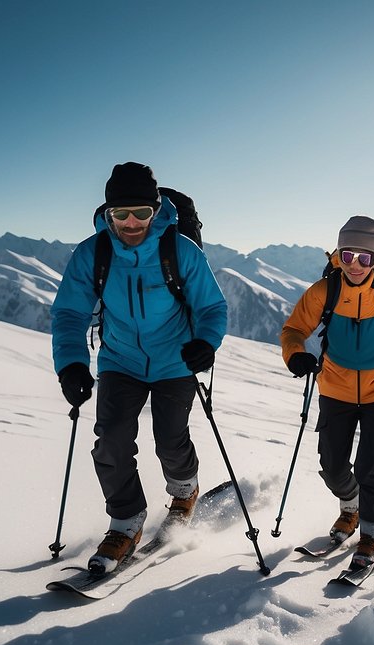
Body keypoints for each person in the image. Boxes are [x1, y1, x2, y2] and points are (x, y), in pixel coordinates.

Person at [50, 162, 228, 574]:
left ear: (157, 210)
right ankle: (126, 523)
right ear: (107, 214)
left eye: (142, 213)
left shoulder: (180, 250)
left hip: (175, 360)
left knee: (170, 438)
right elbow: (69, 314)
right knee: (110, 441)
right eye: (120, 215)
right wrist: (72, 365)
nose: (131, 223)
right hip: (119, 361)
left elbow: (211, 306)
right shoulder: (92, 253)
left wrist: (205, 342)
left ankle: (185, 491)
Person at [281, 216, 374, 569]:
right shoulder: (324, 291)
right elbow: (293, 329)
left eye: (365, 258)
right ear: (338, 253)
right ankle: (353, 506)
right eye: (348, 255)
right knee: (332, 465)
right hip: (335, 387)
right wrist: (296, 354)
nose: (355, 265)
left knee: (370, 465)